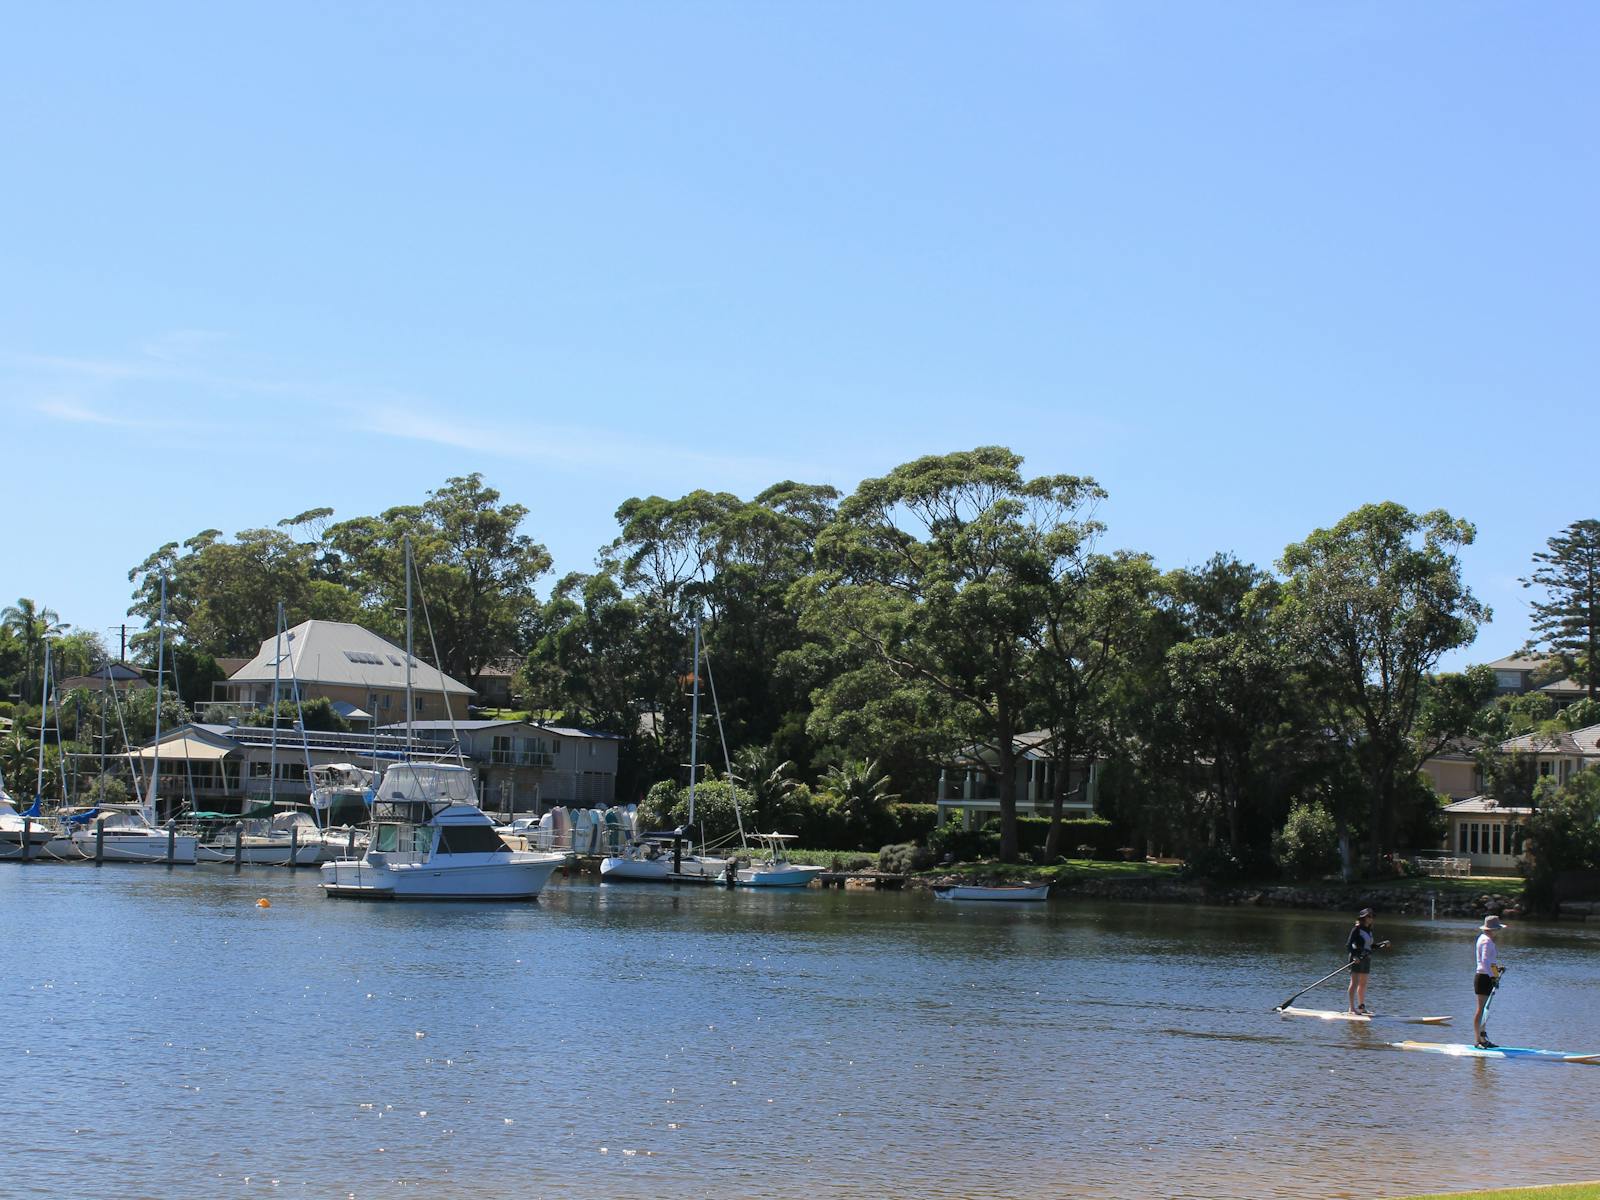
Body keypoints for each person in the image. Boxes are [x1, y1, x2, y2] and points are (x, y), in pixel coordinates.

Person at [1346, 907, 1390, 1014]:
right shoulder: (1356, 929)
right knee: (1354, 982)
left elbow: (1371, 946)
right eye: (1369, 916)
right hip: (1356, 959)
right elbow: (1349, 945)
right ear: (1363, 918)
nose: (1371, 918)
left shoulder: (1369, 930)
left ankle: (1361, 1007)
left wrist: (1382, 944)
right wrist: (1355, 956)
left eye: (1372, 916)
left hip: (1366, 959)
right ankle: (1351, 1008)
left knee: (1363, 983)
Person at [1474, 914, 1507, 1048]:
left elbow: (1488, 962)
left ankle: (1483, 1038)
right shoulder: (1487, 941)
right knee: (1481, 1009)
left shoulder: (1483, 938)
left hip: (1485, 975)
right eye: (1497, 929)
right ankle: (1478, 1041)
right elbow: (1485, 961)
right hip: (1483, 978)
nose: (1498, 931)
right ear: (1492, 929)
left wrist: (1496, 969)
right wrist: (1493, 976)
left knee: (1485, 1010)